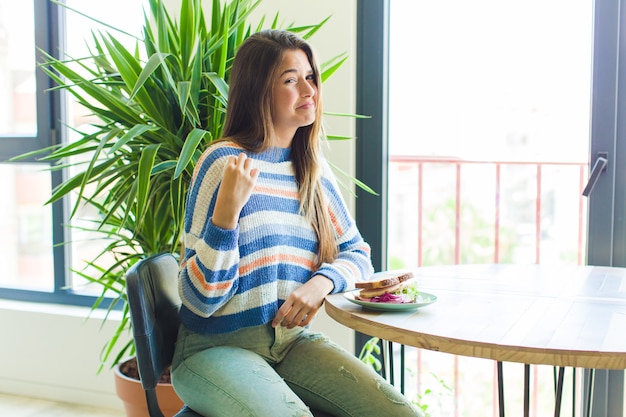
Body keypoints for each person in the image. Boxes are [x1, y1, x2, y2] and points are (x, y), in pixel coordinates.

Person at [171, 29, 423, 417]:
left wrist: (321, 283)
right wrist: (226, 217)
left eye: (311, 77)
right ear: (259, 92)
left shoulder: (311, 172)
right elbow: (199, 300)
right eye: (291, 80)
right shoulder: (225, 163)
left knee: (400, 414)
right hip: (214, 349)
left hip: (291, 343)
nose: (309, 90)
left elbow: (357, 253)